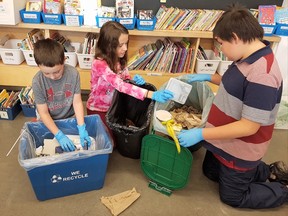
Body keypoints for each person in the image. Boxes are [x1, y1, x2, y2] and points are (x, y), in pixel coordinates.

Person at [177, 4, 288, 209]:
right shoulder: (245, 56)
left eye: (221, 44)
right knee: (210, 173)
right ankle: (267, 171)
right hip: (222, 139)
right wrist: (206, 77)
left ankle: (282, 191)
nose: (220, 50)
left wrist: (200, 134)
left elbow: (249, 127)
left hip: (241, 148)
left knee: (233, 196)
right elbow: (235, 83)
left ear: (235, 37)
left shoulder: (263, 74)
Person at [86, 21, 174, 132]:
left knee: (123, 135)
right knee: (110, 143)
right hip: (98, 109)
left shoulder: (118, 58)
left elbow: (125, 79)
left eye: (126, 43)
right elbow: (120, 85)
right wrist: (151, 94)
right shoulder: (99, 64)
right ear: (108, 46)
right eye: (120, 45)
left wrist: (134, 81)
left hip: (114, 105)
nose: (126, 48)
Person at [32, 38, 91, 152]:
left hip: (69, 116)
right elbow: (43, 113)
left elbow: (77, 102)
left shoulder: (73, 74)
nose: (53, 77)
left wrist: (81, 127)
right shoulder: (37, 82)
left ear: (64, 59)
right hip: (49, 119)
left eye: (57, 71)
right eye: (46, 73)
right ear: (38, 66)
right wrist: (59, 135)